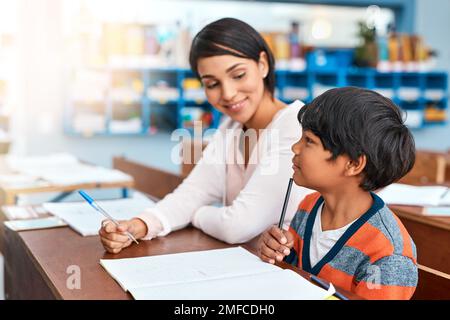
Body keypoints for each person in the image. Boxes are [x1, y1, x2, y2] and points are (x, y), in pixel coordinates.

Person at [99, 18, 312, 253]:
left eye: (238, 75)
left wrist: (197, 214)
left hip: (292, 272)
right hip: (246, 263)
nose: (228, 94)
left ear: (262, 64)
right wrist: (139, 225)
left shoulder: (294, 126)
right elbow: (195, 191)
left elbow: (237, 226)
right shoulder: (230, 126)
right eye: (212, 84)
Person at [258, 87, 418, 300]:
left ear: (353, 163)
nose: (295, 148)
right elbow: (291, 279)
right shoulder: (309, 205)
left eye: (309, 141)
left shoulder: (388, 255)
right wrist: (278, 253)